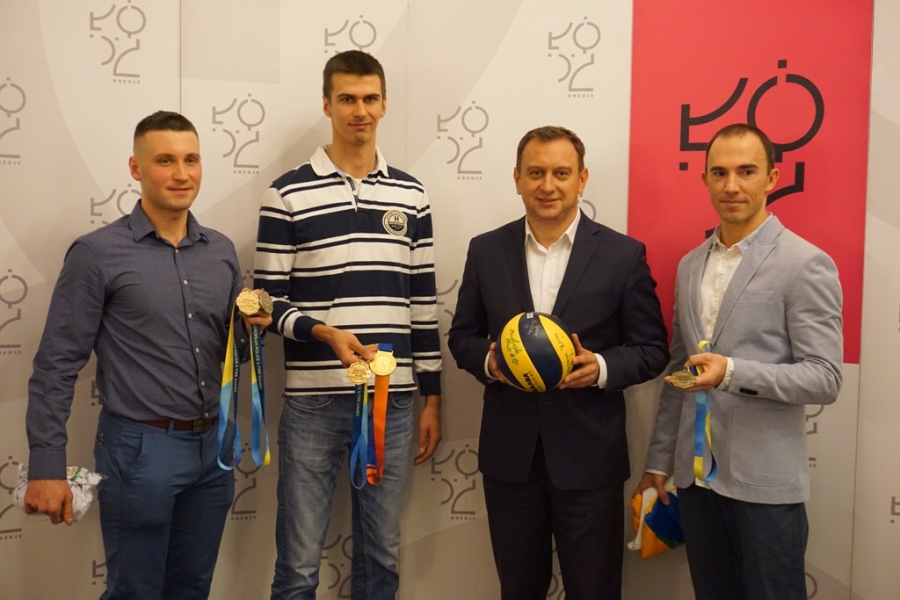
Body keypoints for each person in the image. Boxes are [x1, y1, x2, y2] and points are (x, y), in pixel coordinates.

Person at [23, 110, 271, 599]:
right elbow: (56, 364)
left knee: (192, 589)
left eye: (191, 160)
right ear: (136, 168)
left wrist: (249, 333)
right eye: (165, 161)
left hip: (214, 450)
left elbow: (231, 356)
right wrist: (47, 465)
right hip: (140, 450)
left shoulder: (221, 251)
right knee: (135, 591)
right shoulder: (97, 254)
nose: (181, 173)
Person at [448, 125, 669, 600]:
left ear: (582, 179)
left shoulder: (622, 255)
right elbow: (462, 336)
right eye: (536, 173)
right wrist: (491, 362)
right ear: (517, 179)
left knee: (595, 591)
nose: (548, 185)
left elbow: (652, 349)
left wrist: (601, 368)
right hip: (511, 459)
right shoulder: (486, 250)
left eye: (561, 173)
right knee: (518, 590)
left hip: (590, 461)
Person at [254, 50, 442, 599]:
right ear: (327, 104)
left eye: (369, 99)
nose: (359, 110)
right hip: (312, 403)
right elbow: (264, 304)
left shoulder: (412, 194)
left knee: (381, 556)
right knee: (298, 565)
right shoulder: (286, 193)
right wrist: (324, 333)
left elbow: (422, 302)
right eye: (347, 99)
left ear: (384, 104)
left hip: (393, 401)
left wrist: (432, 396)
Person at [636, 123, 843, 600]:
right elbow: (678, 371)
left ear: (772, 178)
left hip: (765, 487)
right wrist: (659, 461)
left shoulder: (804, 263)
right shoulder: (690, 265)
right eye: (720, 173)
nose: (732, 185)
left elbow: (825, 377)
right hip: (695, 484)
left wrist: (730, 372)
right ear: (705, 179)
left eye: (746, 171)